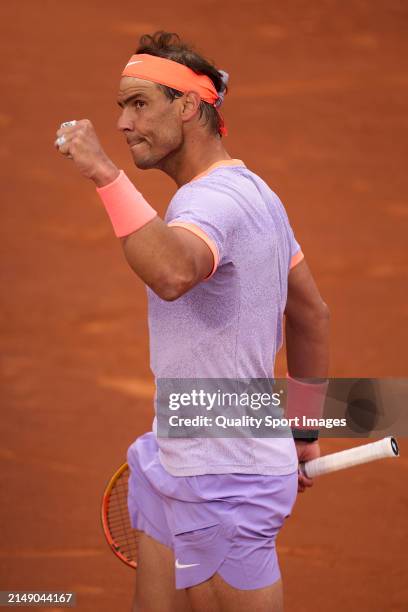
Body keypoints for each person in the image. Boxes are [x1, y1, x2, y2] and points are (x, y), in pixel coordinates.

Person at [55, 31, 329, 612]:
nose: (124, 124)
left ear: (187, 107)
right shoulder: (260, 195)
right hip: (177, 454)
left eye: (139, 104)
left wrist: (105, 174)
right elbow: (311, 315)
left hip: (225, 475)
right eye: (120, 108)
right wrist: (303, 432)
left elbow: (174, 272)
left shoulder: (211, 205)